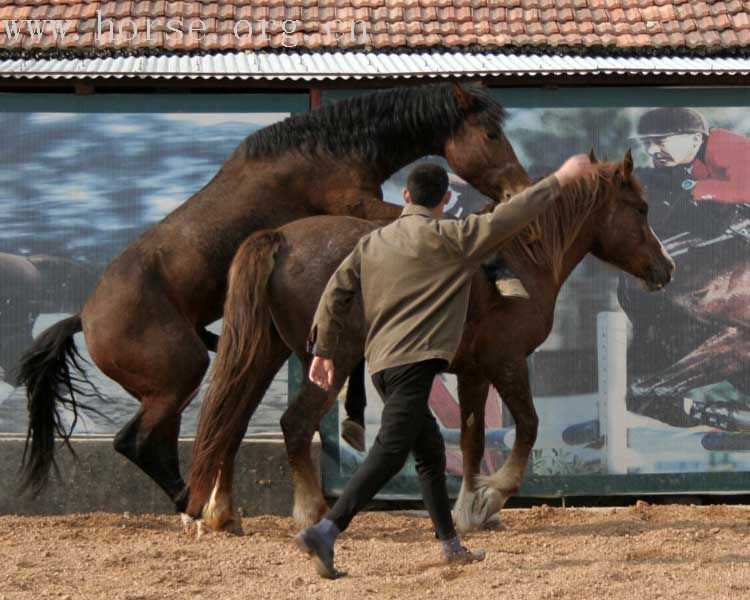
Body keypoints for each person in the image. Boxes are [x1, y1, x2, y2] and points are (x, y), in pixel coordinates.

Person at [295, 155, 594, 579]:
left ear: (405, 196)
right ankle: (327, 529)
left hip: (382, 365)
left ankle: (450, 545)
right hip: (415, 363)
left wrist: (323, 350)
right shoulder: (453, 236)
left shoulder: (373, 242)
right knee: (391, 450)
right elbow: (512, 215)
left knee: (431, 455)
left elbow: (336, 291)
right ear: (446, 199)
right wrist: (561, 178)